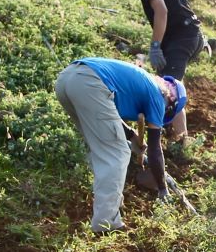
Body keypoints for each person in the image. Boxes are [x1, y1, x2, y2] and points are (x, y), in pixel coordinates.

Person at [53, 57, 187, 233]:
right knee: (117, 153)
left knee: (100, 147)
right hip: (90, 83)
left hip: (67, 79)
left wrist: (131, 136)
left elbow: (108, 113)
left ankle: (110, 206)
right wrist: (163, 189)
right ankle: (106, 224)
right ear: (171, 104)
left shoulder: (143, 82)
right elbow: (155, 149)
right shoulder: (159, 96)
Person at [106, 0, 205, 137]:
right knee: (170, 82)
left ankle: (181, 140)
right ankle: (176, 131)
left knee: (169, 89)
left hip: (182, 38)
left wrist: (155, 46)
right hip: (189, 34)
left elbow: (162, 11)